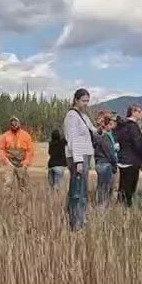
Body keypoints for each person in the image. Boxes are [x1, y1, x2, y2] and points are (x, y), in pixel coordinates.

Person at [62, 88, 97, 231]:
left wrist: (101, 129)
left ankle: (81, 220)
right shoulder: (72, 116)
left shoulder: (84, 117)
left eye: (88, 101)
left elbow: (93, 131)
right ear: (76, 100)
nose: (86, 104)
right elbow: (73, 139)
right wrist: (78, 161)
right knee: (78, 192)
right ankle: (76, 223)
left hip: (85, 155)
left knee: (83, 191)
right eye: (83, 101)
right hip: (78, 156)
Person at [114, 105, 142, 207]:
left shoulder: (121, 126)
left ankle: (120, 209)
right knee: (130, 190)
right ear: (133, 112)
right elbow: (139, 144)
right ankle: (126, 210)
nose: (141, 114)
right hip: (132, 161)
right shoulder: (133, 127)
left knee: (122, 188)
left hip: (122, 160)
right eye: (139, 111)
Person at [92, 109, 119, 206]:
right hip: (106, 163)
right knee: (105, 190)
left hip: (99, 163)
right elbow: (109, 152)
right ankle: (102, 210)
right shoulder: (105, 136)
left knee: (101, 189)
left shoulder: (96, 135)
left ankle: (100, 207)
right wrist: (115, 164)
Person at [0, 117, 34, 186]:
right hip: (9, 163)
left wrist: (26, 162)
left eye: (16, 123)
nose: (14, 125)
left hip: (21, 163)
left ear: (19, 124)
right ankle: (8, 197)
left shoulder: (26, 136)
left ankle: (23, 197)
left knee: (23, 186)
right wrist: (6, 161)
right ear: (10, 125)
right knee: (7, 184)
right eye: (12, 123)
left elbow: (30, 151)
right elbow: (1, 149)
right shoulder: (5, 136)